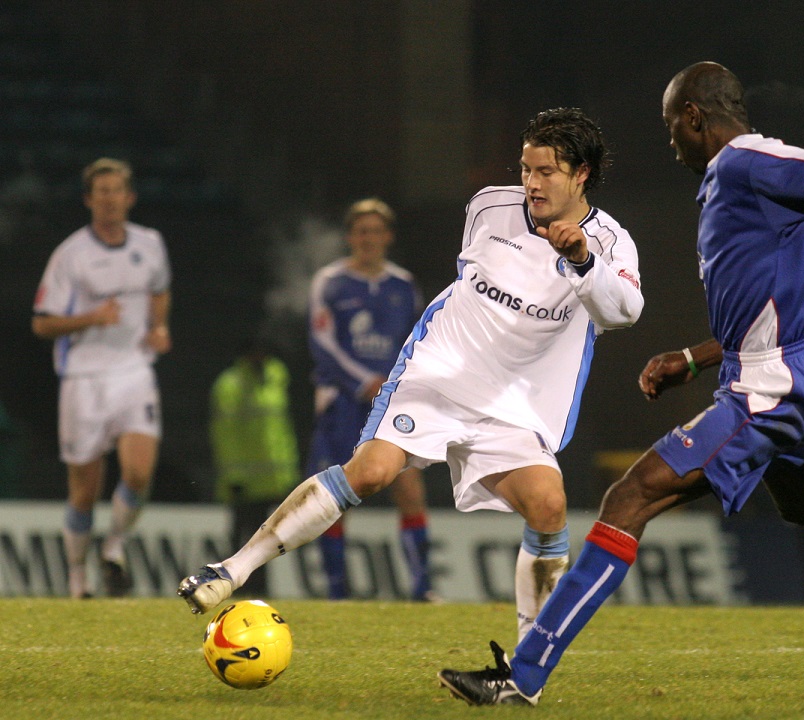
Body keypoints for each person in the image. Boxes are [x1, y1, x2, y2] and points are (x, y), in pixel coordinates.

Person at [437, 61, 804, 706]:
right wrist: (693, 360)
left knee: (630, 497)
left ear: (695, 116)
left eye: (672, 124)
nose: (671, 140)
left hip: (772, 383)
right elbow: (763, 303)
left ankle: (523, 676)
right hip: (794, 364)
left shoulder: (747, 162)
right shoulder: (736, 182)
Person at [179, 108, 644, 642]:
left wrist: (582, 262)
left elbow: (624, 312)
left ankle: (527, 663)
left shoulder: (609, 243)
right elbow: (475, 284)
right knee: (370, 472)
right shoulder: (489, 207)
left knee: (548, 505)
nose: (531, 184)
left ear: (582, 173)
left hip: (516, 402)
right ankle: (231, 570)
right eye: (525, 169)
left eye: (546, 172)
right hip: (441, 371)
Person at [32, 158, 172, 598]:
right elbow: (42, 322)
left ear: (130, 198)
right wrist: (92, 317)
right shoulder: (70, 255)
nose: (110, 199)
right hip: (83, 377)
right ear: (88, 200)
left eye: (117, 191)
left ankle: (113, 546)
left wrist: (159, 326)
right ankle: (78, 577)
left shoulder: (150, 243)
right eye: (102, 191)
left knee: (138, 472)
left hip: (133, 370)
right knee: (84, 491)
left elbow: (160, 289)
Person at [307, 198, 434, 601]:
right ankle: (336, 591)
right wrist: (365, 382)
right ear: (350, 237)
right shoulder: (330, 281)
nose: (369, 238)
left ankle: (421, 589)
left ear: (388, 237)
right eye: (362, 231)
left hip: (391, 401)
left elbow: (419, 343)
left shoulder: (403, 285)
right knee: (336, 493)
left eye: (376, 231)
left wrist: (398, 385)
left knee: (409, 488)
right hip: (344, 401)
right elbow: (322, 343)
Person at [209, 344, 301, 596]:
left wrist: (288, 473)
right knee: (241, 538)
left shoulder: (276, 378)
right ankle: (233, 586)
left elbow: (280, 431)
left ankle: (260, 589)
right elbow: (225, 433)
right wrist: (234, 476)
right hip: (244, 480)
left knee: (268, 539)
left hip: (273, 478)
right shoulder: (230, 384)